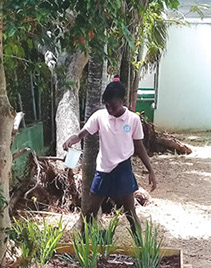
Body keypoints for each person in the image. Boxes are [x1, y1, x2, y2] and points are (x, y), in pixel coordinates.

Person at [62, 78, 157, 236]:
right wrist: (72, 139)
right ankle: (84, 248)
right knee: (90, 212)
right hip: (103, 169)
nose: (109, 109)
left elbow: (139, 147)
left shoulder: (133, 120)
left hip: (123, 169)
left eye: (113, 105)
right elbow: (82, 134)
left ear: (122, 101)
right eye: (106, 105)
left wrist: (151, 171)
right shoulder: (100, 116)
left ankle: (141, 249)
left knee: (130, 212)